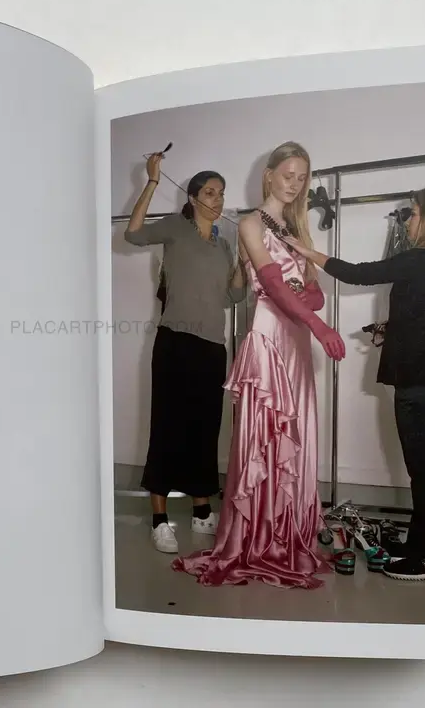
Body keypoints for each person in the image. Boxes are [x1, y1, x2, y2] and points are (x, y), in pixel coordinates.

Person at [172, 141, 345, 589]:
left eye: (302, 177)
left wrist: (309, 303)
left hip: (297, 339)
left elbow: (313, 293)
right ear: (269, 175)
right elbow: (274, 287)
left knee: (296, 437)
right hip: (270, 336)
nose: (295, 184)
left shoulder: (296, 228)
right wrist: (319, 324)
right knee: (266, 438)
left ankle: (289, 534)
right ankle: (260, 537)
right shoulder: (250, 223)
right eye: (288, 174)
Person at [284, 185, 425, 582]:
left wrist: (306, 251)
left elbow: (358, 274)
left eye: (414, 213)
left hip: (418, 382)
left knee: (424, 473)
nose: (408, 220)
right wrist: (397, 329)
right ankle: (420, 545)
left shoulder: (418, 260)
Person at [124, 151, 247, 554]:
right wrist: (152, 180)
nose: (217, 199)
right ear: (193, 198)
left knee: (204, 430)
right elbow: (133, 234)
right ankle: (159, 520)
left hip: (212, 347)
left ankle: (201, 511)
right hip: (175, 343)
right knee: (168, 427)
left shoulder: (223, 245)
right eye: (210, 192)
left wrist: (243, 262)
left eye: (221, 193)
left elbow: (233, 297)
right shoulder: (176, 227)